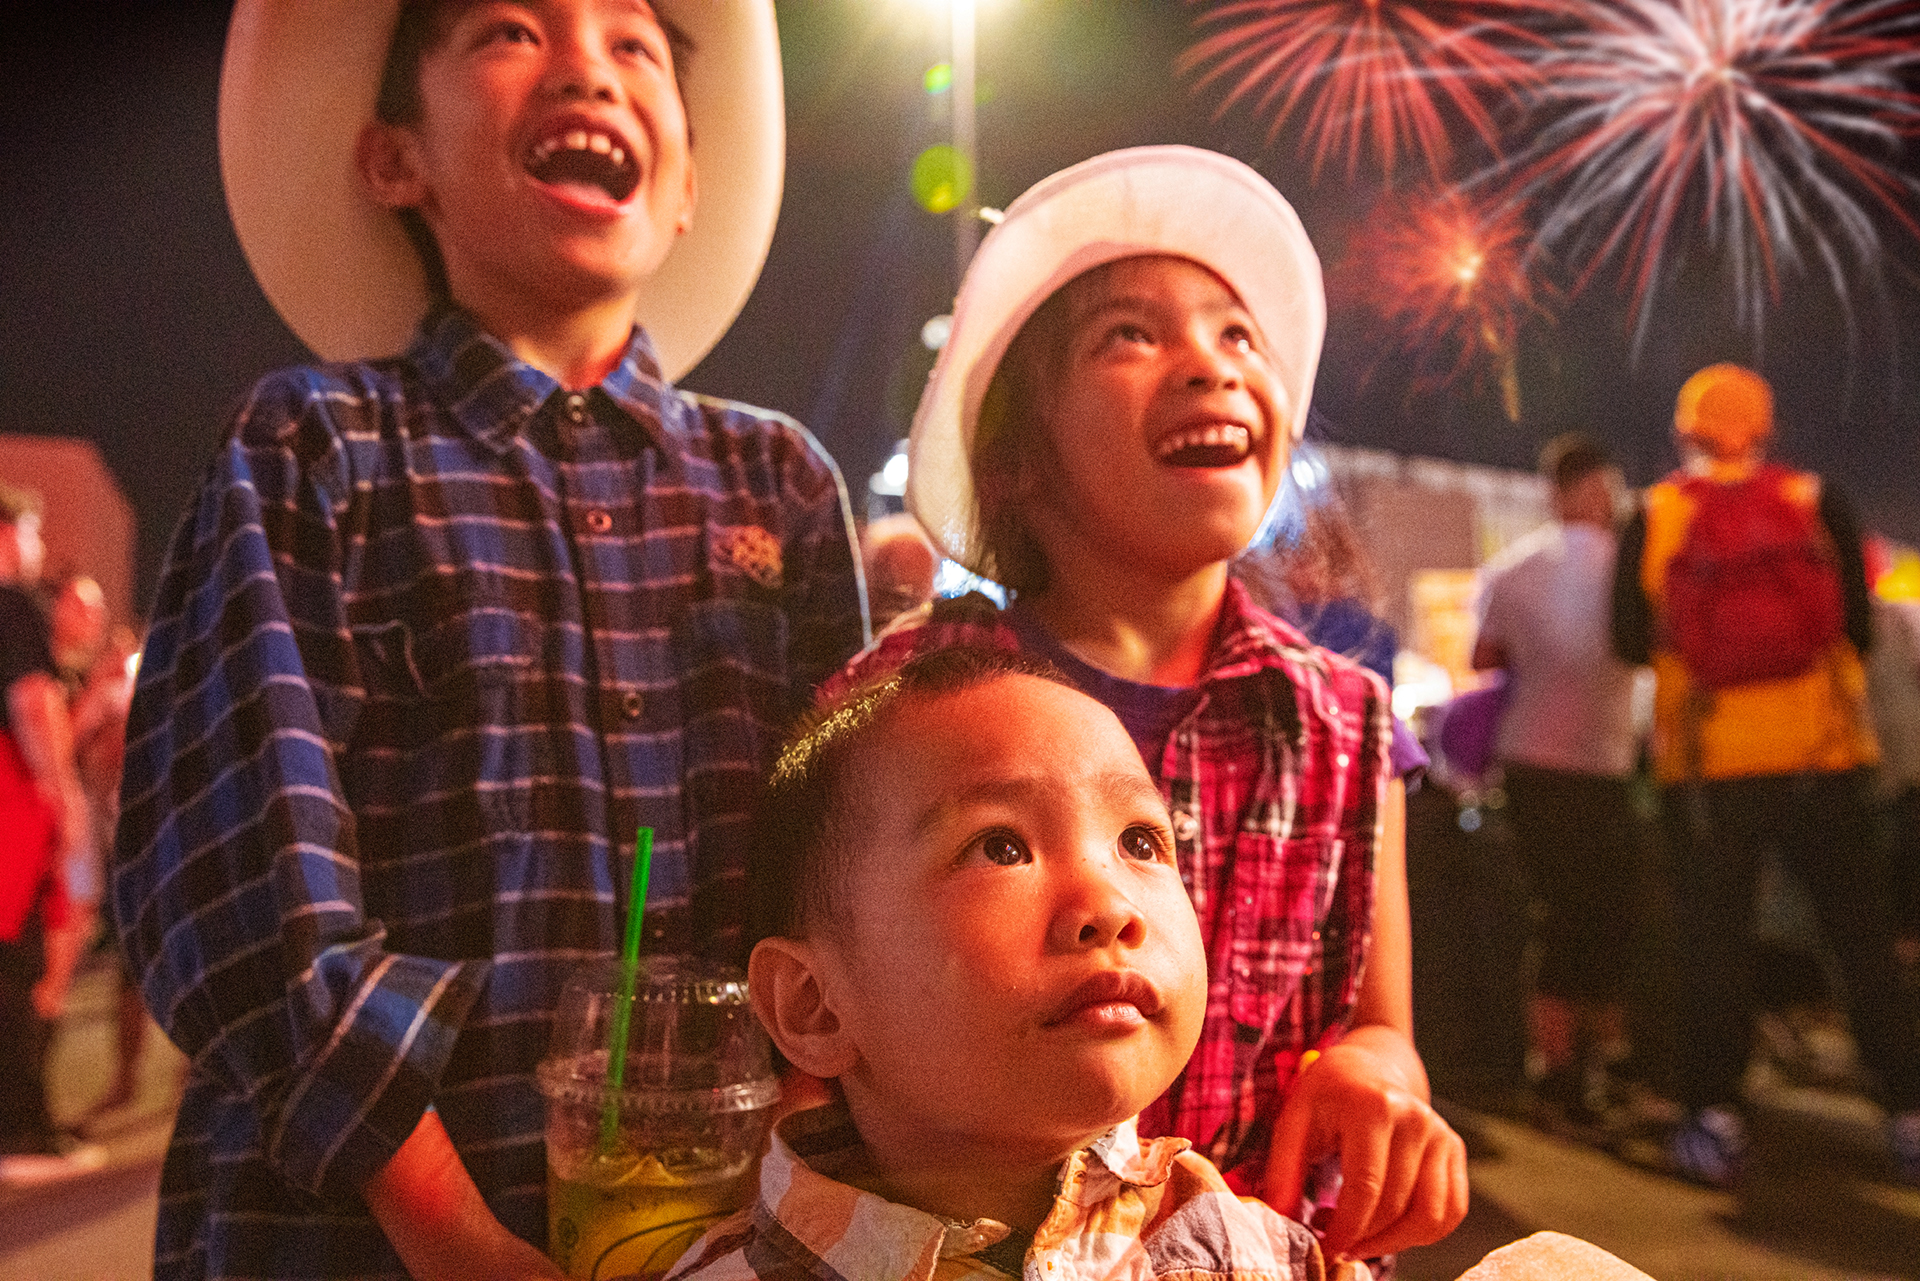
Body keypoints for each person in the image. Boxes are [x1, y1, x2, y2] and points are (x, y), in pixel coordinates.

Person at [111, 3, 866, 1278]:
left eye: (635, 43)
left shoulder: (777, 486)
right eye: (512, 29)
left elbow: (842, 877)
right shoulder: (315, 448)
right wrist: (449, 1229)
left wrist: (785, 1171)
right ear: (394, 159)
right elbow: (234, 877)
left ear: (686, 182)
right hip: (344, 1239)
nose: (587, 62)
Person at [832, 147, 1466, 1268]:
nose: (1208, 366)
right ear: (1017, 458)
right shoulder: (904, 705)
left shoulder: (1348, 726)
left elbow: (1379, 1023)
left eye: (1237, 335)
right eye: (1129, 335)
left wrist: (1377, 1074)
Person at [675, 646, 1328, 1281]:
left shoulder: (1255, 1255)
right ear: (815, 1003)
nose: (1109, 906)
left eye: (1139, 840)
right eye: (1000, 848)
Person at [1612, 363, 1920, 1187]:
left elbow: (1628, 641)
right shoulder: (1815, 501)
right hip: (1825, 758)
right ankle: (1906, 1108)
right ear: (1765, 424)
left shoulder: (1657, 511)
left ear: (1688, 428)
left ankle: (1713, 1114)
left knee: (1711, 946)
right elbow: (1856, 623)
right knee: (1861, 940)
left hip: (1706, 768)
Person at [1471, 434, 1645, 1130]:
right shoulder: (1630, 570)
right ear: (1602, 489)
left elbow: (1484, 656)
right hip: (1606, 761)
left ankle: (1554, 1069)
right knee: (1606, 913)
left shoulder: (1514, 569)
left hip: (1532, 759)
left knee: (1555, 912)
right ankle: (1603, 1061)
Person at [0, 485, 102, 1183]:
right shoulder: (10, 606)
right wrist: (65, 799)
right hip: (12, 818)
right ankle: (19, 1130)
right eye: (33, 533)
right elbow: (33, 702)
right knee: (18, 970)